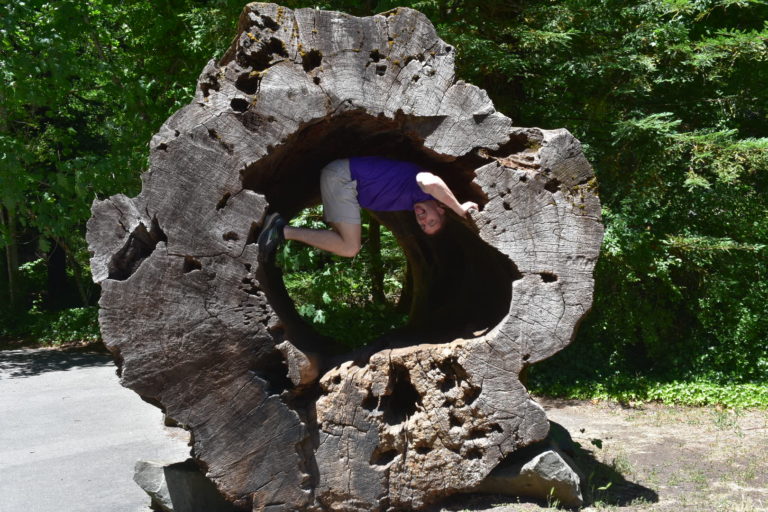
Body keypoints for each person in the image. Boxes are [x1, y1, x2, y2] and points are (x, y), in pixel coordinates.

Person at [258, 156, 477, 261]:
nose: (423, 220)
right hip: (343, 178)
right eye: (431, 221)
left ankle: (280, 231)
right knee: (350, 247)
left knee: (343, 241)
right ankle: (281, 230)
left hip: (342, 183)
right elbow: (431, 181)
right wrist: (459, 209)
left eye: (423, 225)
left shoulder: (409, 201)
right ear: (440, 208)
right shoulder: (423, 190)